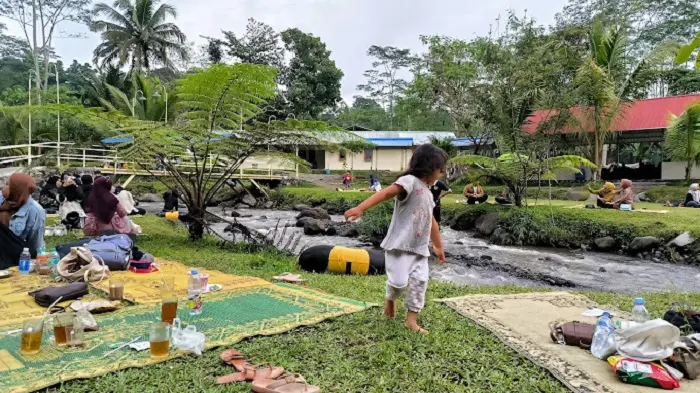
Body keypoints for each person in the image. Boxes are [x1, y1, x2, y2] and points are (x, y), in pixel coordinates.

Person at [345, 144, 447, 334]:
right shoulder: (408, 181)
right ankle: (390, 298)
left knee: (420, 282)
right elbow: (385, 193)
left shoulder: (428, 193)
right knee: (399, 283)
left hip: (420, 248)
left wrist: (439, 246)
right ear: (430, 166)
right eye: (441, 168)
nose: (442, 172)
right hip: (400, 245)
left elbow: (432, 221)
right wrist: (361, 208)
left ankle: (411, 321)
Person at [0, 174, 45, 259]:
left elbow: (35, 242)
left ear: (16, 189)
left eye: (7, 184)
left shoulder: (35, 210)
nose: (3, 187)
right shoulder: (1, 199)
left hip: (13, 255)